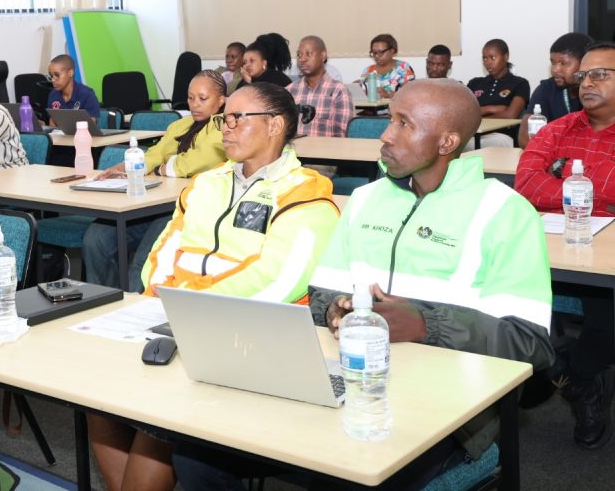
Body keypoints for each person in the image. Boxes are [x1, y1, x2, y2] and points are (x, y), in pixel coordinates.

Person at [173, 79, 553, 490]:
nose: (385, 136)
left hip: (450, 411)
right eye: (390, 120)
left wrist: (425, 324)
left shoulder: (505, 213)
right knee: (197, 452)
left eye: (404, 124)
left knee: (349, 470)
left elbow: (530, 343)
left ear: (447, 142)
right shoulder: (367, 199)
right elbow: (319, 296)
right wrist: (336, 309)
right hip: (349, 380)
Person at [87, 83, 339, 491]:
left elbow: (276, 282)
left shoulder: (306, 194)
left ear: (275, 125)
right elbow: (165, 249)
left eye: (239, 117)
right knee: (96, 391)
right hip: (176, 316)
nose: (226, 127)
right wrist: (163, 300)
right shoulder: (208, 183)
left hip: (252, 333)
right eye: (226, 118)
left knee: (163, 411)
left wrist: (191, 307)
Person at [515, 41, 615, 449]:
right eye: (583, 76)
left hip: (607, 259)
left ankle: (573, 374)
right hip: (556, 246)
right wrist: (590, 193)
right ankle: (564, 369)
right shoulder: (558, 128)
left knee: (606, 316)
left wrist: (564, 178)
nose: (586, 83)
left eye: (600, 75)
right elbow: (526, 183)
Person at [81, 70, 228, 290]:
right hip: (153, 205)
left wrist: (160, 169)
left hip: (187, 210)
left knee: (145, 262)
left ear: (221, 100)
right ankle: (107, 301)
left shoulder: (223, 126)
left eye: (203, 98)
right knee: (96, 240)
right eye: (190, 98)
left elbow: (196, 161)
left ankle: (135, 307)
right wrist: (127, 167)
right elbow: (155, 153)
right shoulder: (181, 125)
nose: (195, 104)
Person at [518, 32, 592, 148]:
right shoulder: (546, 89)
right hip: (554, 156)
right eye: (553, 63)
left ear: (585, 62)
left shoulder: (598, 92)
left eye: (563, 63)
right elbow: (524, 138)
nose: (555, 70)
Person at [287, 35, 354, 137]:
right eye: (299, 55)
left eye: (308, 54)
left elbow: (342, 134)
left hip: (327, 147)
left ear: (323, 56)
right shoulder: (290, 90)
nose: (302, 59)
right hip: (294, 147)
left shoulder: (339, 91)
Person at [357, 33, 415, 98]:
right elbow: (362, 92)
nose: (377, 56)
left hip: (395, 104)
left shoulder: (403, 68)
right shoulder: (368, 70)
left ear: (392, 50)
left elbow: (410, 94)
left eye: (381, 52)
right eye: (374, 53)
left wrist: (389, 94)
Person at [46, 53, 100, 118]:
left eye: (57, 75)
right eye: (51, 76)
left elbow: (91, 122)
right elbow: (52, 120)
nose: (53, 80)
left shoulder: (87, 94)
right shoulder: (53, 95)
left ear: (70, 73)